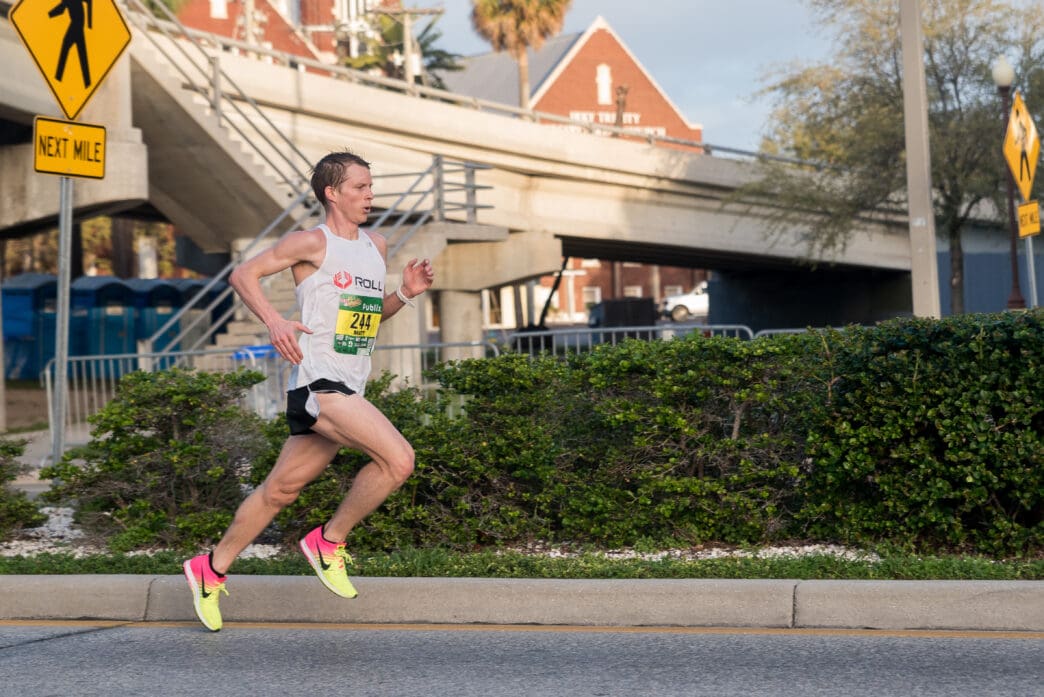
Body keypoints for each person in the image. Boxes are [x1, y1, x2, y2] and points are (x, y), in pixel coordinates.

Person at [183, 150, 434, 631]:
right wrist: (274, 320)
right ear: (332, 193)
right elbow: (243, 274)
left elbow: (366, 317)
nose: (370, 195)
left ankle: (209, 569)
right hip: (320, 383)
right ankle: (328, 541)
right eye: (360, 187)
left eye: (370, 186)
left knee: (280, 490)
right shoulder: (309, 242)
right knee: (399, 460)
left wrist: (403, 293)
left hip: (349, 383)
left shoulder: (374, 246)